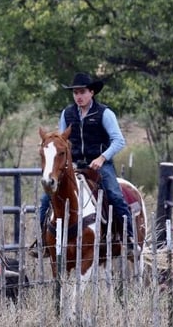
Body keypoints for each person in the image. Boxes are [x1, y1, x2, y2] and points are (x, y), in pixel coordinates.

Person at [39, 71, 136, 247]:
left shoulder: (104, 113)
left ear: (92, 92)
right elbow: (62, 142)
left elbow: (119, 141)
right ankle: (43, 242)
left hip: (100, 165)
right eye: (75, 93)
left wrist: (102, 158)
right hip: (74, 165)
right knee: (46, 199)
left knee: (115, 195)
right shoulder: (67, 114)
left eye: (82, 92)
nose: (79, 96)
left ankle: (129, 238)